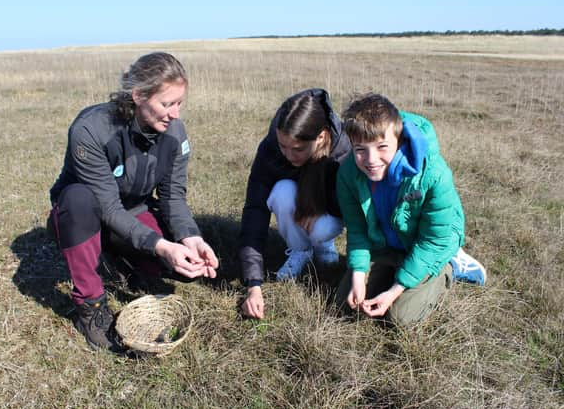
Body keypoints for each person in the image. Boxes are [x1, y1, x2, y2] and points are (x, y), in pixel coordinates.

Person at [48, 52, 219, 350]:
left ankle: (116, 258)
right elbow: (108, 208)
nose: (176, 114)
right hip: (83, 216)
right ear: (138, 96)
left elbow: (173, 196)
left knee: (181, 268)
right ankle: (90, 305)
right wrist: (161, 246)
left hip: (133, 211)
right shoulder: (91, 131)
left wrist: (190, 237)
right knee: (78, 199)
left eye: (180, 103)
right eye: (167, 104)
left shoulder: (175, 134)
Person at [335, 93, 486, 326]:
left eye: (382, 147)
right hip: (387, 244)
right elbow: (357, 230)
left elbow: (433, 240)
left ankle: (452, 263)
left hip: (431, 243)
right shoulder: (348, 174)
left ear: (399, 139)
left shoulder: (434, 174)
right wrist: (357, 276)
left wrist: (395, 290)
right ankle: (394, 266)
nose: (371, 159)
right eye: (360, 150)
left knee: (401, 318)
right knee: (346, 305)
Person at [238, 88, 351, 319]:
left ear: (321, 136)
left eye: (298, 149)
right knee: (280, 192)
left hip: (331, 213)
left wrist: (359, 269)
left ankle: (323, 245)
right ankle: (301, 250)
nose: (288, 155)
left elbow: (357, 211)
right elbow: (255, 210)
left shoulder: (344, 151)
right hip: (297, 203)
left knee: (321, 229)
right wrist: (254, 283)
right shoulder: (270, 148)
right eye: (283, 146)